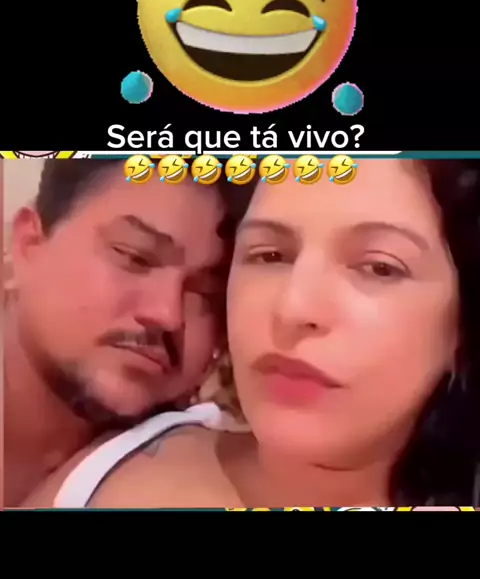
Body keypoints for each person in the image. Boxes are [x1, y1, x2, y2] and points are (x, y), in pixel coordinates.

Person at [19, 158, 480, 508]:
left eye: (379, 267)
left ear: (460, 325)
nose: (293, 307)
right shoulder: (115, 461)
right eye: (269, 256)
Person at [4, 158, 255, 507]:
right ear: (28, 243)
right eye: (135, 257)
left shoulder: (199, 471)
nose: (168, 314)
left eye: (205, 293)